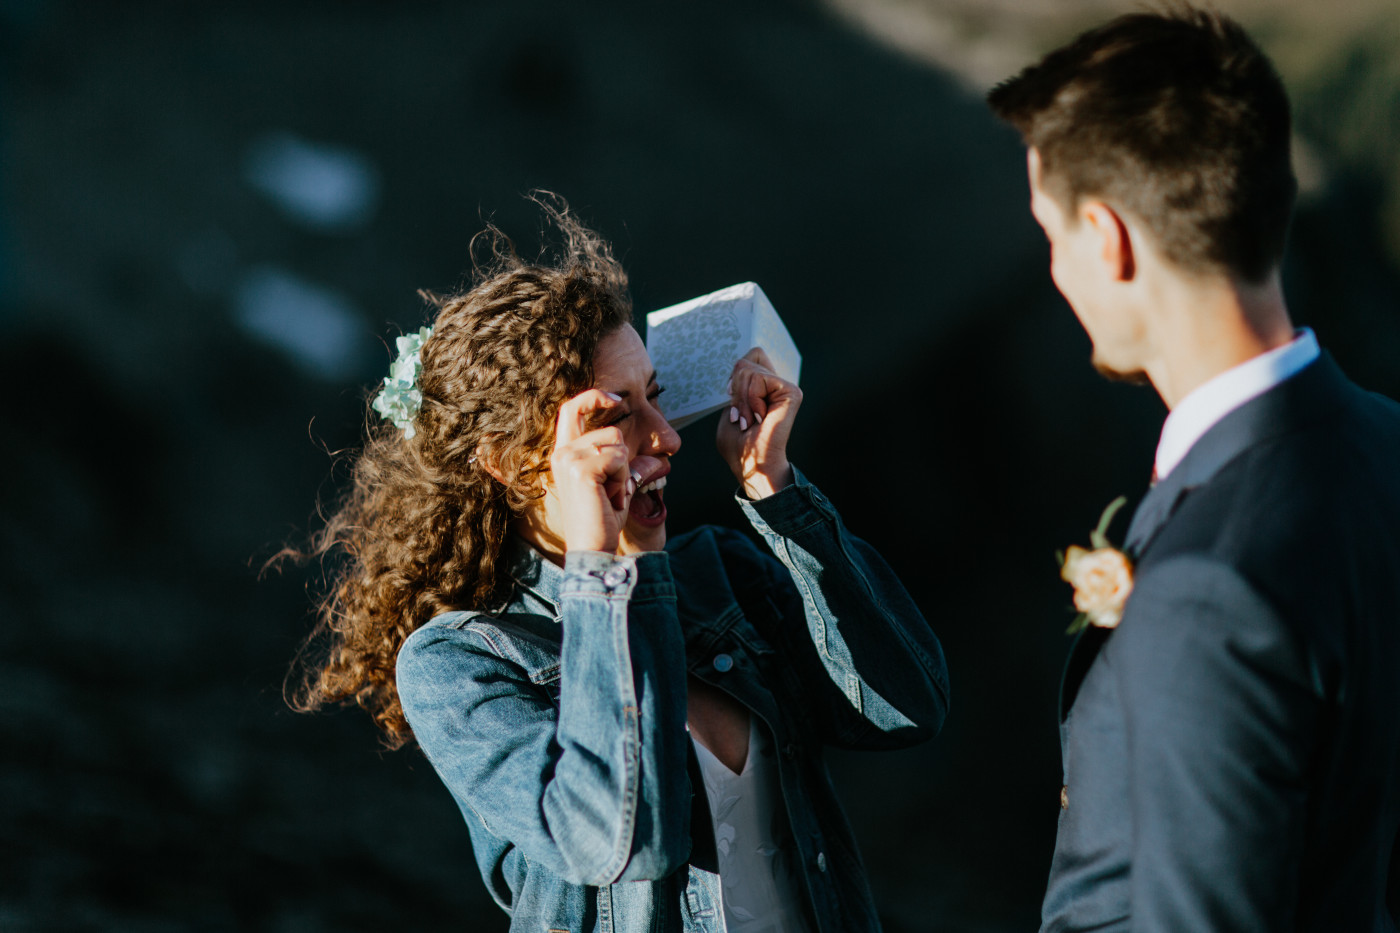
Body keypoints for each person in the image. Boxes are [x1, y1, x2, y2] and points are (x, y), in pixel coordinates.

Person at [287, 196, 949, 933]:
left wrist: (776, 491)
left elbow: (907, 705)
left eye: (656, 399)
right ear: (512, 462)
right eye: (615, 413)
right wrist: (603, 569)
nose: (664, 436)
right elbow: (619, 837)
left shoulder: (719, 569)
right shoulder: (459, 660)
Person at [987, 7, 1400, 932]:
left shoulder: (1205, 593)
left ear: (1108, 238)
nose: (1056, 268)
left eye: (1051, 233)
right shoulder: (1387, 446)